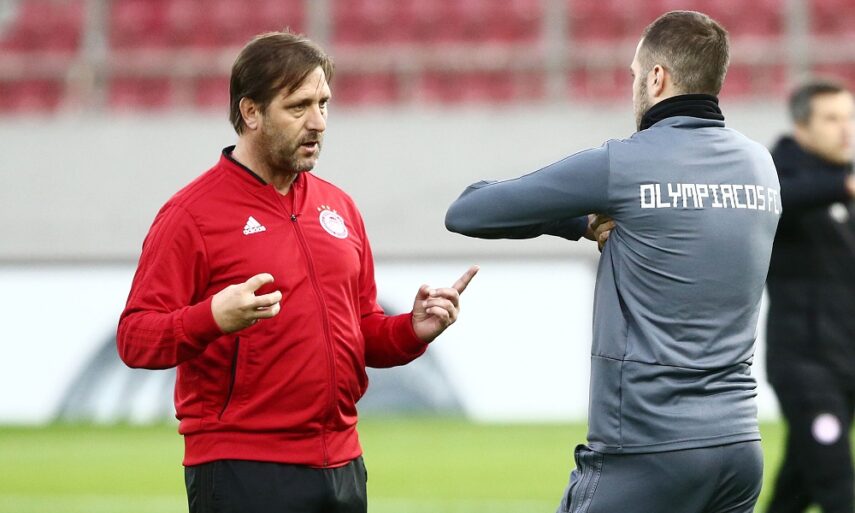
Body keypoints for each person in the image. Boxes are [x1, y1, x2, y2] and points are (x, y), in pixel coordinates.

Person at [116, 31, 477, 513]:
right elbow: (135, 338)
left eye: (323, 104)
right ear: (251, 112)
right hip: (243, 468)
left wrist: (411, 331)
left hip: (343, 465)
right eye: (298, 107)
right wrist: (212, 317)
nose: (318, 122)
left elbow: (362, 332)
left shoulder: (339, 207)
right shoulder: (191, 215)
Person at [445, 11, 780, 513]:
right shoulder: (760, 167)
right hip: (738, 450)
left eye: (634, 75)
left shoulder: (623, 163)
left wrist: (577, 222)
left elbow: (469, 210)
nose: (633, 87)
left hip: (647, 451)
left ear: (657, 78)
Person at [765, 80, 855, 513]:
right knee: (839, 486)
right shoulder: (774, 177)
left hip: (845, 364)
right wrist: (843, 188)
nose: (846, 129)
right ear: (802, 128)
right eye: (832, 119)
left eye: (849, 118)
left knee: (796, 490)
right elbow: (781, 199)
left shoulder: (843, 182)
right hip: (803, 367)